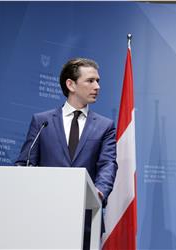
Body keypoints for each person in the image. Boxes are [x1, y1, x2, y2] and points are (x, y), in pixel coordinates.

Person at [16, 58, 118, 249]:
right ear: (70, 84)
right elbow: (25, 162)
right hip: (44, 216)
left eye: (98, 81)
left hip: (86, 218)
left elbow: (108, 164)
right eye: (90, 81)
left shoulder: (105, 126)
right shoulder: (42, 122)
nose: (97, 86)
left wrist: (99, 191)